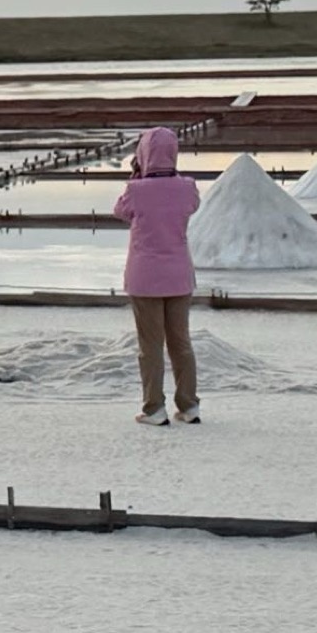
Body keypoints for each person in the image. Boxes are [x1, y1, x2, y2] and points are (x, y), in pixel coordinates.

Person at [114, 125, 202, 425]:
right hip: (179, 275)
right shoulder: (187, 187)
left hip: (145, 278)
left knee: (150, 346)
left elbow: (120, 211)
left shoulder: (136, 191)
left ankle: (154, 408)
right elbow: (192, 206)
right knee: (181, 343)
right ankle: (189, 406)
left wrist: (136, 176)